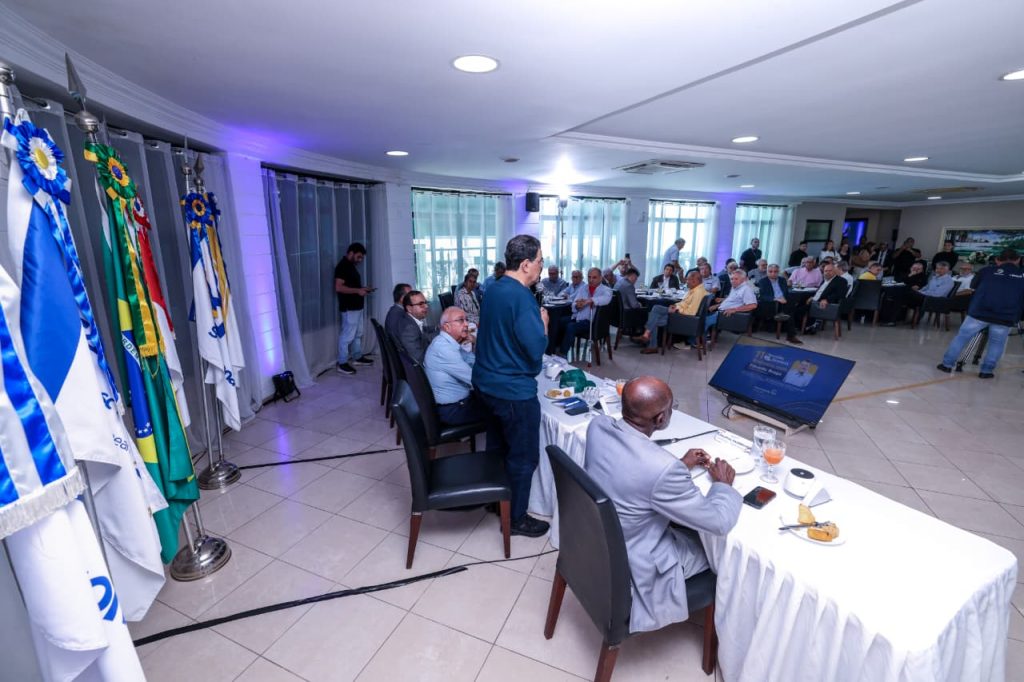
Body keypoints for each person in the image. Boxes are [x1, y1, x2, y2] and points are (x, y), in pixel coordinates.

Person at [584, 377, 741, 633]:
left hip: (595, 541)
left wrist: (680, 464)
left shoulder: (597, 426)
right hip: (636, 560)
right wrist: (723, 486)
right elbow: (719, 522)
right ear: (660, 419)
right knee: (723, 554)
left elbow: (627, 466)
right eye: (671, 408)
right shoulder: (663, 469)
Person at [473, 235, 550, 537]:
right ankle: (516, 518)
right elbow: (535, 348)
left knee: (498, 446)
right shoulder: (521, 297)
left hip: (486, 384)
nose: (543, 267)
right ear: (526, 264)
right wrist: (543, 324)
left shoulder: (493, 288)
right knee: (523, 455)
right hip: (512, 391)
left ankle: (498, 501)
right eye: (541, 261)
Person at [936, 249, 1024, 378]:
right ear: (1018, 260)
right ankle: (986, 371)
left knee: (962, 337)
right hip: (1006, 315)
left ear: (998, 260)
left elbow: (973, 286)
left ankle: (947, 365)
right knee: (996, 343)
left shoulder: (986, 271)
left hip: (979, 312)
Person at [423, 307, 487, 426]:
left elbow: (472, 361)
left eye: (466, 320)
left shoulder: (447, 342)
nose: (467, 324)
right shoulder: (443, 349)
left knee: (495, 400)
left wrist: (473, 344)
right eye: (461, 320)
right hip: (452, 410)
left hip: (457, 402)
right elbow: (475, 379)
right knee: (503, 406)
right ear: (447, 327)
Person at [636, 270, 707, 353]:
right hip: (681, 316)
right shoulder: (695, 289)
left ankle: (648, 339)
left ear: (694, 281)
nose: (686, 281)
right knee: (654, 317)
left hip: (685, 320)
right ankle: (649, 340)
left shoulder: (698, 292)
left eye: (687, 279)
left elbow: (691, 312)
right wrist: (675, 306)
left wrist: (676, 309)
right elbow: (684, 302)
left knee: (656, 309)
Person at [334, 242, 374, 375]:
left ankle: (357, 357)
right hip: (349, 308)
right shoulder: (342, 266)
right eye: (358, 257)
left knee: (358, 334)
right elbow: (338, 287)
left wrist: (363, 289)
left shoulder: (350, 266)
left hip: (357, 307)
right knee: (347, 336)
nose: (360, 260)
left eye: (361, 258)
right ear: (350, 253)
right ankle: (342, 363)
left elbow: (351, 286)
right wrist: (358, 290)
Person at [557, 267, 613, 356]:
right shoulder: (583, 288)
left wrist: (589, 301)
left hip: (591, 322)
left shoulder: (606, 290)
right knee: (559, 321)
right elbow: (574, 303)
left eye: (594, 277)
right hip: (578, 317)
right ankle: (555, 348)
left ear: (600, 278)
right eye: (589, 277)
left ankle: (563, 354)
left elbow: (606, 299)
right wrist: (577, 306)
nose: (591, 280)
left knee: (571, 327)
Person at [757, 264, 802, 344]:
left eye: (775, 272)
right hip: (771, 304)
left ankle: (790, 331)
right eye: (770, 271)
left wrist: (784, 298)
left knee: (795, 301)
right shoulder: (763, 281)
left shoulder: (782, 280)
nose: (773, 273)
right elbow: (763, 296)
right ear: (767, 272)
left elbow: (786, 293)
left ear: (778, 272)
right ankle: (791, 335)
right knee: (790, 310)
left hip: (783, 302)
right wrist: (777, 299)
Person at [797, 263, 848, 334]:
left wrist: (827, 300)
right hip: (815, 300)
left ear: (835, 271)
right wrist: (813, 297)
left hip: (825, 305)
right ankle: (802, 326)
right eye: (825, 271)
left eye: (830, 271)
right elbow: (820, 292)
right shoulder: (825, 280)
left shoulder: (841, 281)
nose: (827, 273)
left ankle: (805, 327)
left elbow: (840, 294)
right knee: (798, 303)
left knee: (799, 310)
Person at [393, 290, 437, 362]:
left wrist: (437, 328)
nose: (426, 306)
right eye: (421, 304)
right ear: (409, 308)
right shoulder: (408, 329)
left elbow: (422, 329)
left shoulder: (408, 319)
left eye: (426, 302)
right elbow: (419, 359)